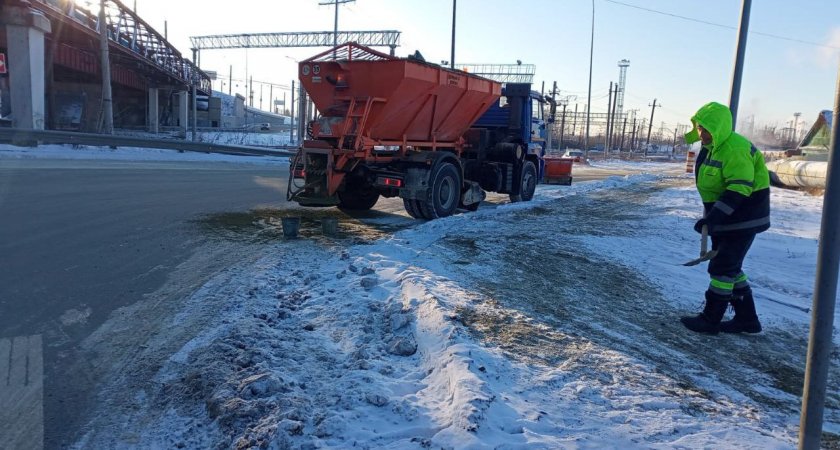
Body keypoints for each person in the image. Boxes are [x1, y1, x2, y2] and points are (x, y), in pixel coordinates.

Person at [680, 101, 771, 334]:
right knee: (731, 267)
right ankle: (747, 320)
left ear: (719, 127)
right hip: (726, 219)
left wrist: (713, 218)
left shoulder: (734, 149)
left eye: (707, 129)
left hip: (742, 218)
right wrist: (713, 217)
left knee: (722, 267)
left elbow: (739, 188)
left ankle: (710, 319)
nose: (702, 133)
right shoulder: (713, 148)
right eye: (700, 128)